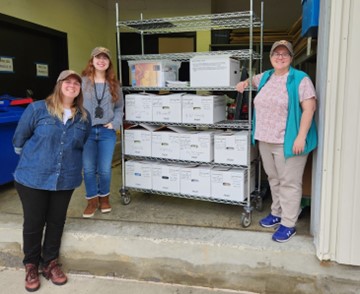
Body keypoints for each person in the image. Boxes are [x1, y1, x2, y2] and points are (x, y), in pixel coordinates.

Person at [12, 70, 91, 291]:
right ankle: (30, 264)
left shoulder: (84, 116)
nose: (72, 85)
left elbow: (80, 143)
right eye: (68, 81)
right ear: (59, 85)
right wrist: (36, 158)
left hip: (65, 178)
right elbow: (19, 138)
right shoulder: (37, 109)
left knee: (57, 221)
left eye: (77, 83)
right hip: (33, 177)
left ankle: (50, 263)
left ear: (79, 90)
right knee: (34, 222)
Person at [236, 40, 317, 243]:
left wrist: (301, 136)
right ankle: (277, 212)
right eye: (276, 53)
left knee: (289, 183)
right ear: (271, 57)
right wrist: (243, 83)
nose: (280, 57)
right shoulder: (266, 77)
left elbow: (310, 108)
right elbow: (251, 80)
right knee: (273, 178)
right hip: (265, 139)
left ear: (291, 57)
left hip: (288, 141)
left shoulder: (300, 79)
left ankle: (288, 223)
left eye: (284, 54)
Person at [81, 47, 123, 218]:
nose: (101, 60)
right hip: (87, 131)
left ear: (109, 63)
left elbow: (120, 107)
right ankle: (92, 201)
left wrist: (116, 123)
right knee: (89, 169)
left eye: (105, 58)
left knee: (104, 169)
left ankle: (104, 198)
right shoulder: (82, 82)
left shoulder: (114, 84)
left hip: (107, 132)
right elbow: (72, 104)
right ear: (92, 61)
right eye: (98, 57)